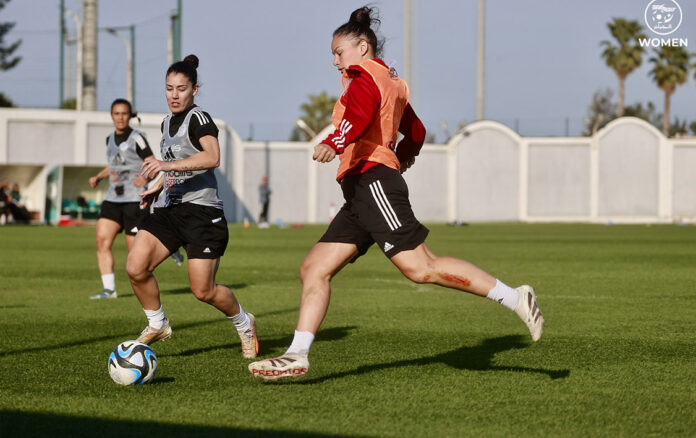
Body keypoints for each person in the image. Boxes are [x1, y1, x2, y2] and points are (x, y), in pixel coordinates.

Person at [249, 6, 544, 380]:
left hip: (372, 182)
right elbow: (416, 131)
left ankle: (515, 297)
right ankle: (297, 355)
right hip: (362, 189)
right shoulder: (391, 81)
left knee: (421, 267)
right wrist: (401, 157)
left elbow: (358, 115)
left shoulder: (364, 77)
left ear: (362, 46)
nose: (336, 62)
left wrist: (336, 142)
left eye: (339, 53)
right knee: (314, 268)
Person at [126, 54, 258, 359]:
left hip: (202, 214)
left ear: (194, 90)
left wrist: (163, 164)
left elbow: (212, 157)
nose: (174, 95)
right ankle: (157, 324)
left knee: (203, 291)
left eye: (181, 88)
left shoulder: (199, 118)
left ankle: (243, 322)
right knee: (136, 267)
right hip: (169, 210)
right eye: (169, 88)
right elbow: (173, 167)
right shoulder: (165, 123)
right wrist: (155, 187)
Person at [88, 99, 156, 299]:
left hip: (134, 200)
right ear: (111, 116)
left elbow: (151, 162)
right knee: (102, 241)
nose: (120, 117)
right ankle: (109, 290)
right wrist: (99, 177)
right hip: (112, 199)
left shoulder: (138, 138)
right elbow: (114, 164)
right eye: (116, 114)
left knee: (135, 253)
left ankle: (146, 287)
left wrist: (145, 177)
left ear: (129, 115)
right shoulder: (109, 139)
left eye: (124, 113)